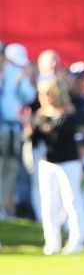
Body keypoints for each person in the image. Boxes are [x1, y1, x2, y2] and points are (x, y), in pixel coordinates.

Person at [28, 78, 84, 254]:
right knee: (48, 201)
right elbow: (34, 139)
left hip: (68, 161)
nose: (44, 98)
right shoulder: (41, 114)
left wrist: (43, 123)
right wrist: (32, 125)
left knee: (72, 200)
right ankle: (52, 241)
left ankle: (76, 239)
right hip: (48, 161)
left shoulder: (69, 113)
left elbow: (61, 134)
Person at [1, 43, 36, 219]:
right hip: (3, 127)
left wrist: (24, 79)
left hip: (15, 128)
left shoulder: (18, 74)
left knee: (11, 169)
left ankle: (3, 208)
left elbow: (28, 96)